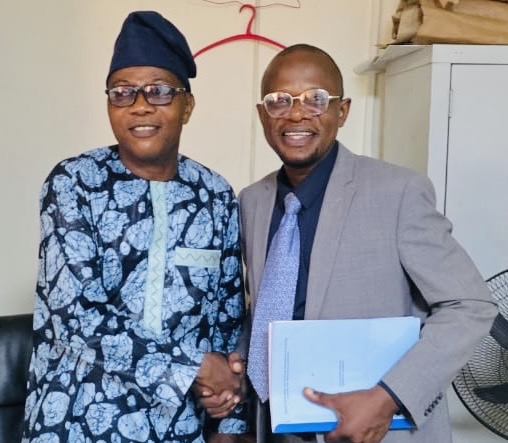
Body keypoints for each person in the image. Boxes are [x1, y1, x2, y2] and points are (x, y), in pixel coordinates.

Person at [213, 44, 498, 443]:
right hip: (275, 428)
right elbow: (270, 303)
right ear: (263, 114)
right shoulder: (252, 201)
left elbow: (470, 305)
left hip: (372, 430)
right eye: (280, 101)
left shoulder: (397, 192)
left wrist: (388, 397)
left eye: (315, 99)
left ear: (342, 111)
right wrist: (242, 360)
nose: (296, 114)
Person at [22, 10, 247, 443]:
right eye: (122, 92)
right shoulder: (74, 183)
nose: (140, 105)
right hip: (76, 421)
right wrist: (193, 367)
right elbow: (76, 316)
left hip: (178, 428)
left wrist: (229, 421)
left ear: (187, 106)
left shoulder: (215, 194)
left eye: (159, 91)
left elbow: (227, 320)